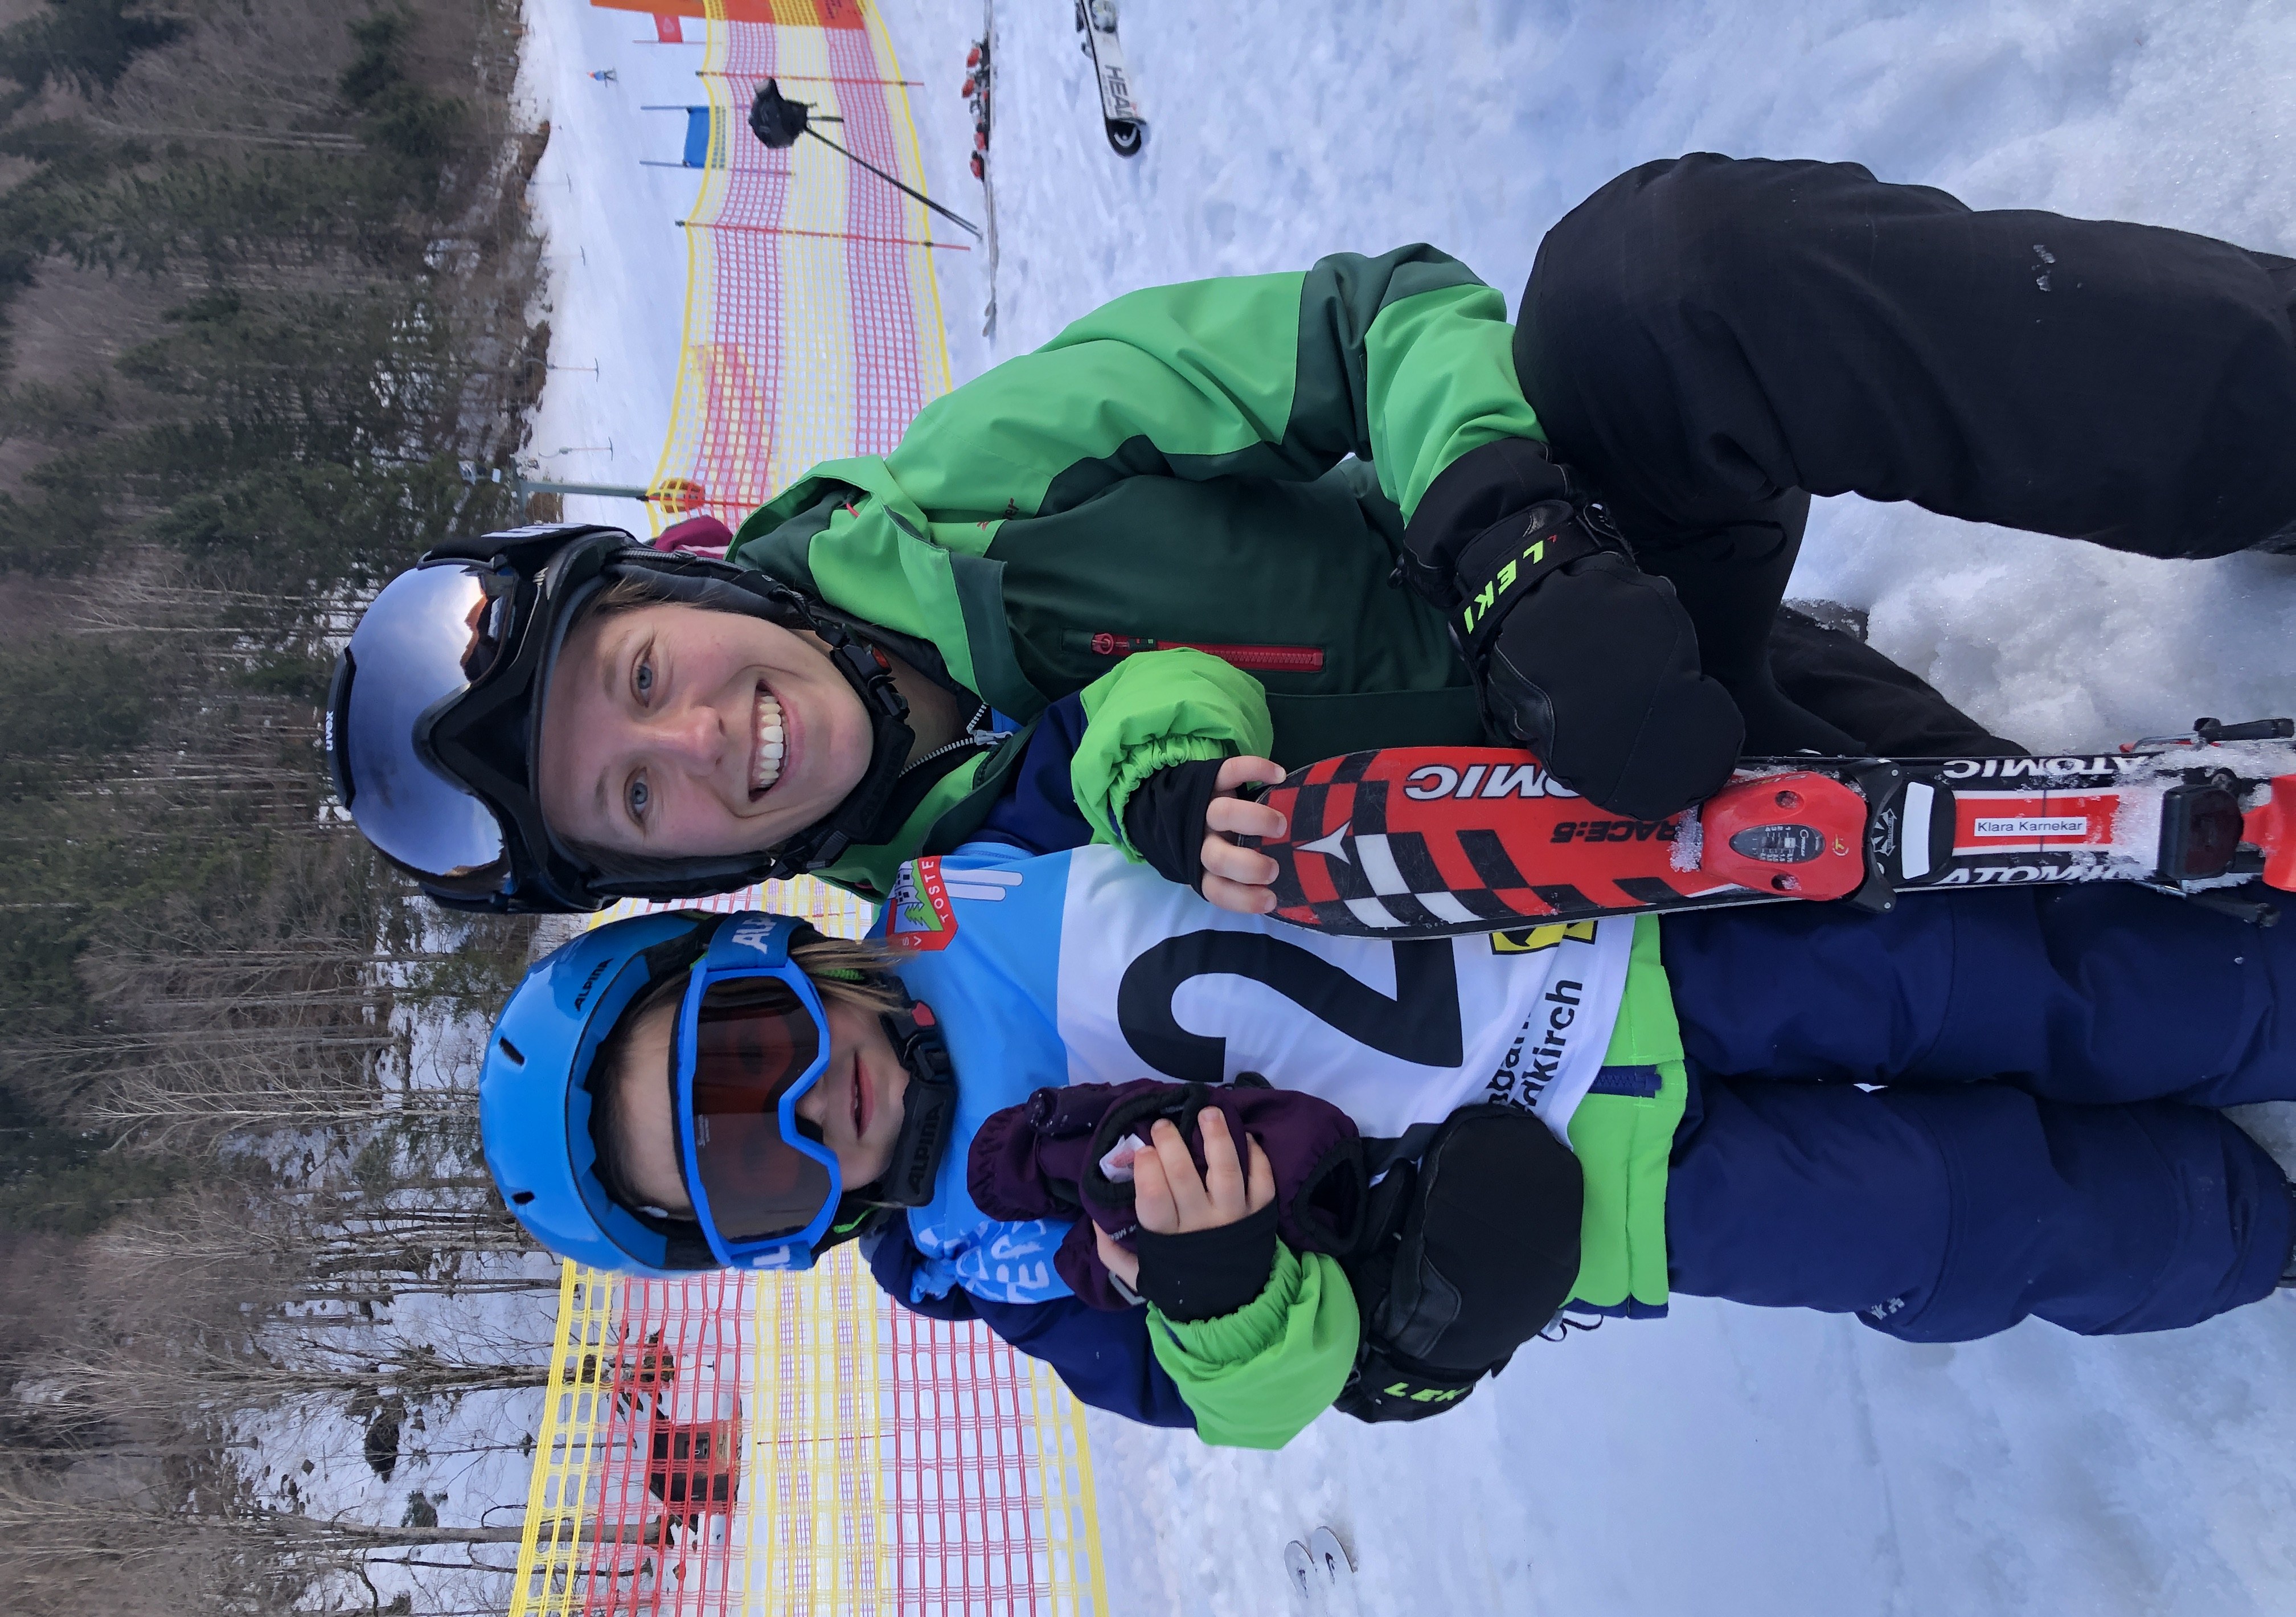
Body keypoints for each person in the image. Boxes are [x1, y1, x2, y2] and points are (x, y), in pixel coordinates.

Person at [321, 144, 2296, 916]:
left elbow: (1372, 319)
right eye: (637, 797)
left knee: (1665, 282)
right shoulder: (961, 965)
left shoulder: (982, 478)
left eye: (639, 674)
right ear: (667, 870)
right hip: (1611, 901)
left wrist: (1510, 541)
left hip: (1586, 592)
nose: (702, 736)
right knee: (2051, 922)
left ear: (671, 580)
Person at [479, 841, 2296, 1450]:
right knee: (1945, 1222)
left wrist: (1175, 751)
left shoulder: (972, 864)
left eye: (752, 1051)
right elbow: (1248, 1401)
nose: (812, 1107)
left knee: (1991, 976)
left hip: (1618, 945)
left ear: (773, 955)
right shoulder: (1008, 1264)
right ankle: (2244, 1225)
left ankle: (2263, 997)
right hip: (1591, 1200)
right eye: (759, 1168)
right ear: (782, 1240)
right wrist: (1221, 1296)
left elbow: (1142, 711)